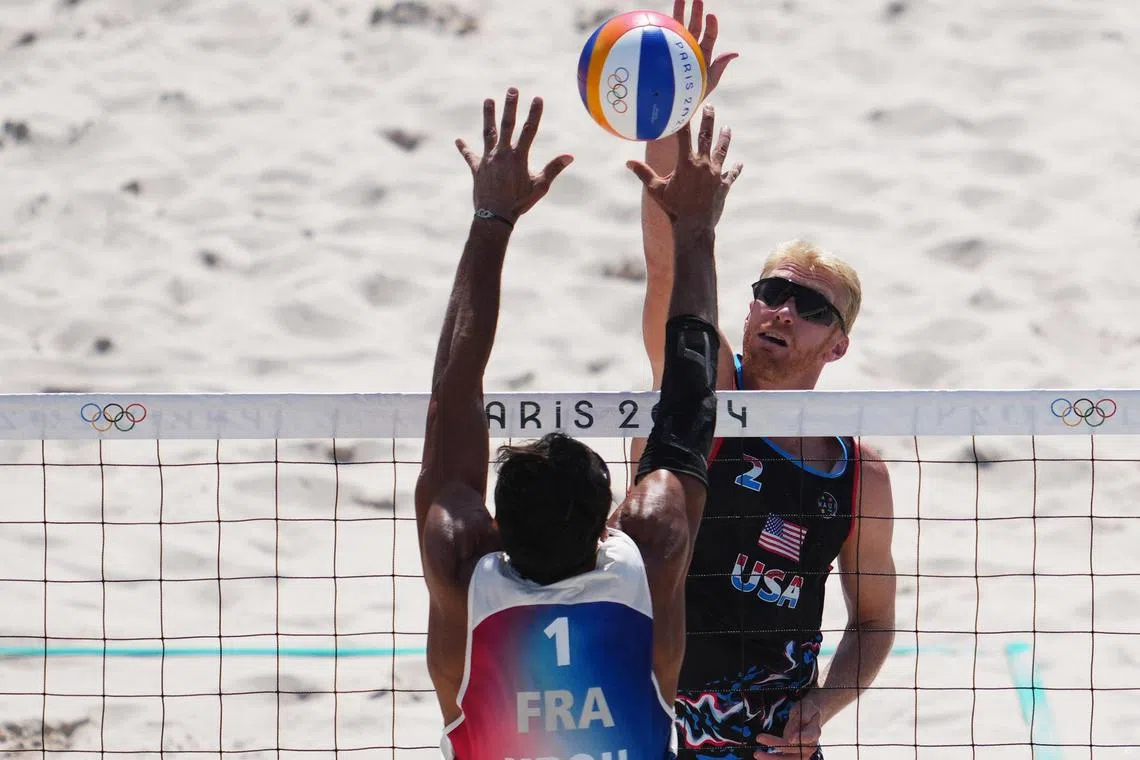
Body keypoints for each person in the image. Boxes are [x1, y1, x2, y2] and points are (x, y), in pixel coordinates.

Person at [415, 88, 742, 760]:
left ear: (496, 528)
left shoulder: (459, 568)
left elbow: (453, 392)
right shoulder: (650, 551)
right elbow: (689, 397)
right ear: (607, 523)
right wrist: (695, 230)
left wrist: (491, 217)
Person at [631, 3, 899, 759]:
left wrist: (822, 706)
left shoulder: (858, 474)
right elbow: (666, 267)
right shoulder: (705, 392)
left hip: (772, 745)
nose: (781, 309)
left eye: (809, 305)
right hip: (659, 726)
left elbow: (874, 621)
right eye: (770, 292)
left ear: (837, 346)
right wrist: (676, 112)